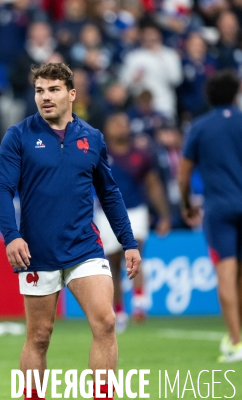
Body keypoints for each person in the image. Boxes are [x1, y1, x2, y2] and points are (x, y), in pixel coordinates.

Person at [0, 63, 141, 400]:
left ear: (71, 94)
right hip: (37, 250)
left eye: (54, 89)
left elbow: (110, 193)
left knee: (105, 322)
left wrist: (128, 242)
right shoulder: (18, 135)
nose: (45, 97)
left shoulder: (92, 137)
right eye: (40, 91)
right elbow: (2, 189)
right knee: (40, 336)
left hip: (84, 247)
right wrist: (11, 235)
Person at [179, 70, 242, 363]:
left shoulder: (200, 127)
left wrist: (186, 204)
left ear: (209, 97)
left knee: (226, 273)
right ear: (236, 95)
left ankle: (235, 341)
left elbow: (183, 172)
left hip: (219, 209)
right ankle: (236, 338)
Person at [94, 112, 171, 332]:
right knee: (114, 264)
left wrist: (164, 215)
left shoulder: (142, 155)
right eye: (115, 122)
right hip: (106, 214)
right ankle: (118, 311)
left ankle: (139, 302)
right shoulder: (98, 154)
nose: (119, 126)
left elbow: (153, 185)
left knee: (134, 251)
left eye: (123, 122)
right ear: (107, 129)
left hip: (136, 210)